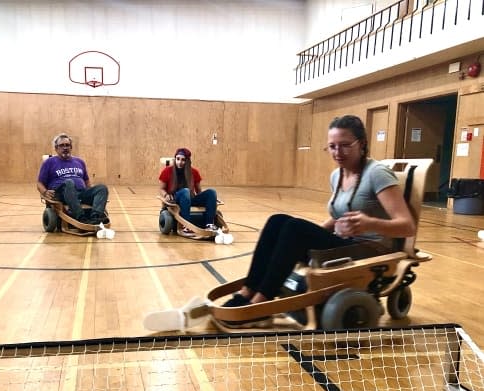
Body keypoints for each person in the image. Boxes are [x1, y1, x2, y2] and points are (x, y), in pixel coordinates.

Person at [221, 114, 416, 323]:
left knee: (294, 228)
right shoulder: (337, 175)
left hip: (371, 251)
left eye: (344, 145)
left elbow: (407, 226)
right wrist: (310, 234)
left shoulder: (377, 174)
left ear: (362, 144)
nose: (337, 152)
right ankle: (247, 291)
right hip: (345, 245)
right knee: (278, 221)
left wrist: (370, 223)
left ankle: (261, 301)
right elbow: (338, 218)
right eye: (332, 146)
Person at [37, 133, 109, 225]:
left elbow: (86, 180)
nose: (65, 147)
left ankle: (96, 217)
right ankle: (81, 217)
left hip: (80, 193)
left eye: (67, 145)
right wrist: (45, 192)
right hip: (61, 194)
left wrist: (90, 192)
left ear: (71, 147)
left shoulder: (79, 161)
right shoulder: (49, 162)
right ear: (56, 148)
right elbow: (39, 183)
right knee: (69, 182)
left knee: (102, 188)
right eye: (61, 145)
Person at [158, 147, 218, 236]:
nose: (180, 162)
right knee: (185, 191)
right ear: (175, 159)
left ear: (187, 161)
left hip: (190, 198)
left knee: (212, 192)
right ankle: (186, 226)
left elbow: (199, 191)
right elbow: (161, 189)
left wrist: (210, 200)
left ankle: (209, 224)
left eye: (183, 160)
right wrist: (166, 195)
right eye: (178, 159)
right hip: (176, 198)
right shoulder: (167, 171)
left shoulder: (194, 172)